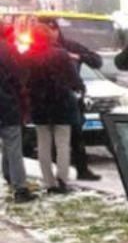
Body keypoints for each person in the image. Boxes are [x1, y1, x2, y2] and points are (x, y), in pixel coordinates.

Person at [26, 23, 83, 194]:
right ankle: (62, 180)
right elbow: (73, 78)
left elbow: (25, 81)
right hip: (61, 105)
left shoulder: (28, 56)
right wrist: (79, 87)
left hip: (39, 105)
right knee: (62, 144)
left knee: (43, 144)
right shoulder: (60, 54)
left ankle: (49, 182)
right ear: (49, 36)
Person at [43, 18, 103, 181]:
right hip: (46, 99)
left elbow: (96, 60)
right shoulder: (39, 50)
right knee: (52, 140)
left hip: (70, 98)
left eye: (53, 29)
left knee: (76, 136)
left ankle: (81, 169)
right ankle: (58, 173)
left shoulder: (69, 46)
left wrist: (78, 57)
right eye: (47, 30)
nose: (51, 34)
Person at [0, 28, 36, 202]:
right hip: (7, 106)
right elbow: (21, 74)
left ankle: (8, 175)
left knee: (10, 145)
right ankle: (19, 188)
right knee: (13, 146)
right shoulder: (8, 50)